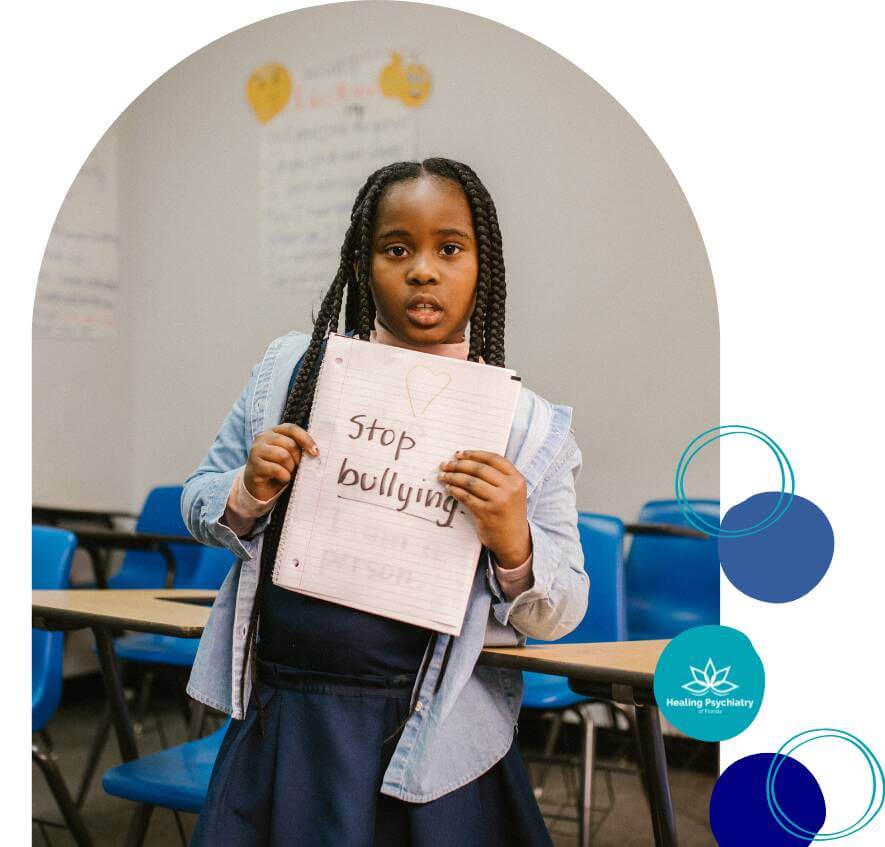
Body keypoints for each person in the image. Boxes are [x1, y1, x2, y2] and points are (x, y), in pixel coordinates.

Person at [182, 157, 589, 846]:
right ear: (361, 263)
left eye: (449, 248)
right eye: (395, 248)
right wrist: (246, 490)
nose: (422, 269)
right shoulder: (291, 372)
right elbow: (196, 500)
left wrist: (514, 541)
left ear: (481, 266)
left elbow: (562, 611)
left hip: (427, 731)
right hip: (287, 712)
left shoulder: (527, 425)